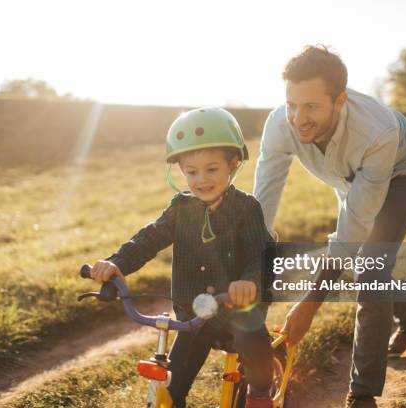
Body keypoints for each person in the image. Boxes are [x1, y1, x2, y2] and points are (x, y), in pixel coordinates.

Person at [253, 45, 406, 408]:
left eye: (311, 106)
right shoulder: (279, 124)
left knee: (370, 268)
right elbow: (263, 202)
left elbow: (350, 235)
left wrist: (309, 305)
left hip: (400, 173)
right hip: (350, 178)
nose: (298, 118)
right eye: (292, 104)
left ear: (340, 100)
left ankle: (362, 394)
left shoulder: (377, 133)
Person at [91, 107, 275, 408]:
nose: (201, 179)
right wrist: (117, 263)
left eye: (212, 169)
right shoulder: (181, 209)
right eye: (191, 171)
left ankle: (259, 395)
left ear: (233, 163)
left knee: (255, 344)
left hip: (238, 308)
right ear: (180, 170)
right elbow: (149, 238)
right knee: (173, 381)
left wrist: (250, 281)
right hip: (195, 315)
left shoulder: (247, 208)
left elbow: (261, 253)